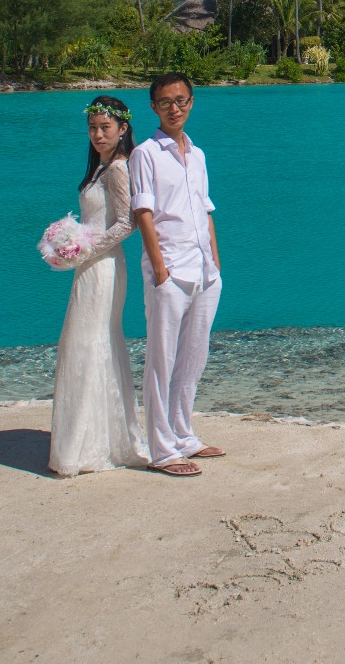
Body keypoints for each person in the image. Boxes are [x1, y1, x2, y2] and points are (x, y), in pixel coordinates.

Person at [129, 72, 226, 476]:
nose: (175, 108)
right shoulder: (146, 154)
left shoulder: (198, 154)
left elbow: (205, 209)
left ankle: (185, 435)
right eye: (166, 102)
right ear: (154, 107)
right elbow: (143, 213)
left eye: (182, 100)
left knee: (194, 357)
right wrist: (160, 270)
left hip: (204, 270)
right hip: (169, 271)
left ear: (191, 102)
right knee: (161, 361)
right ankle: (163, 449)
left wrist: (216, 265)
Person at [47, 95, 149, 476]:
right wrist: (69, 240)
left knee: (92, 342)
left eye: (105, 128)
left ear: (123, 129)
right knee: (84, 343)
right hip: (90, 265)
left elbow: (127, 222)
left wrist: (84, 250)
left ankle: (94, 444)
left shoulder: (119, 168)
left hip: (103, 266)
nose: (98, 135)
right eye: (92, 128)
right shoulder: (99, 168)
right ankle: (90, 437)